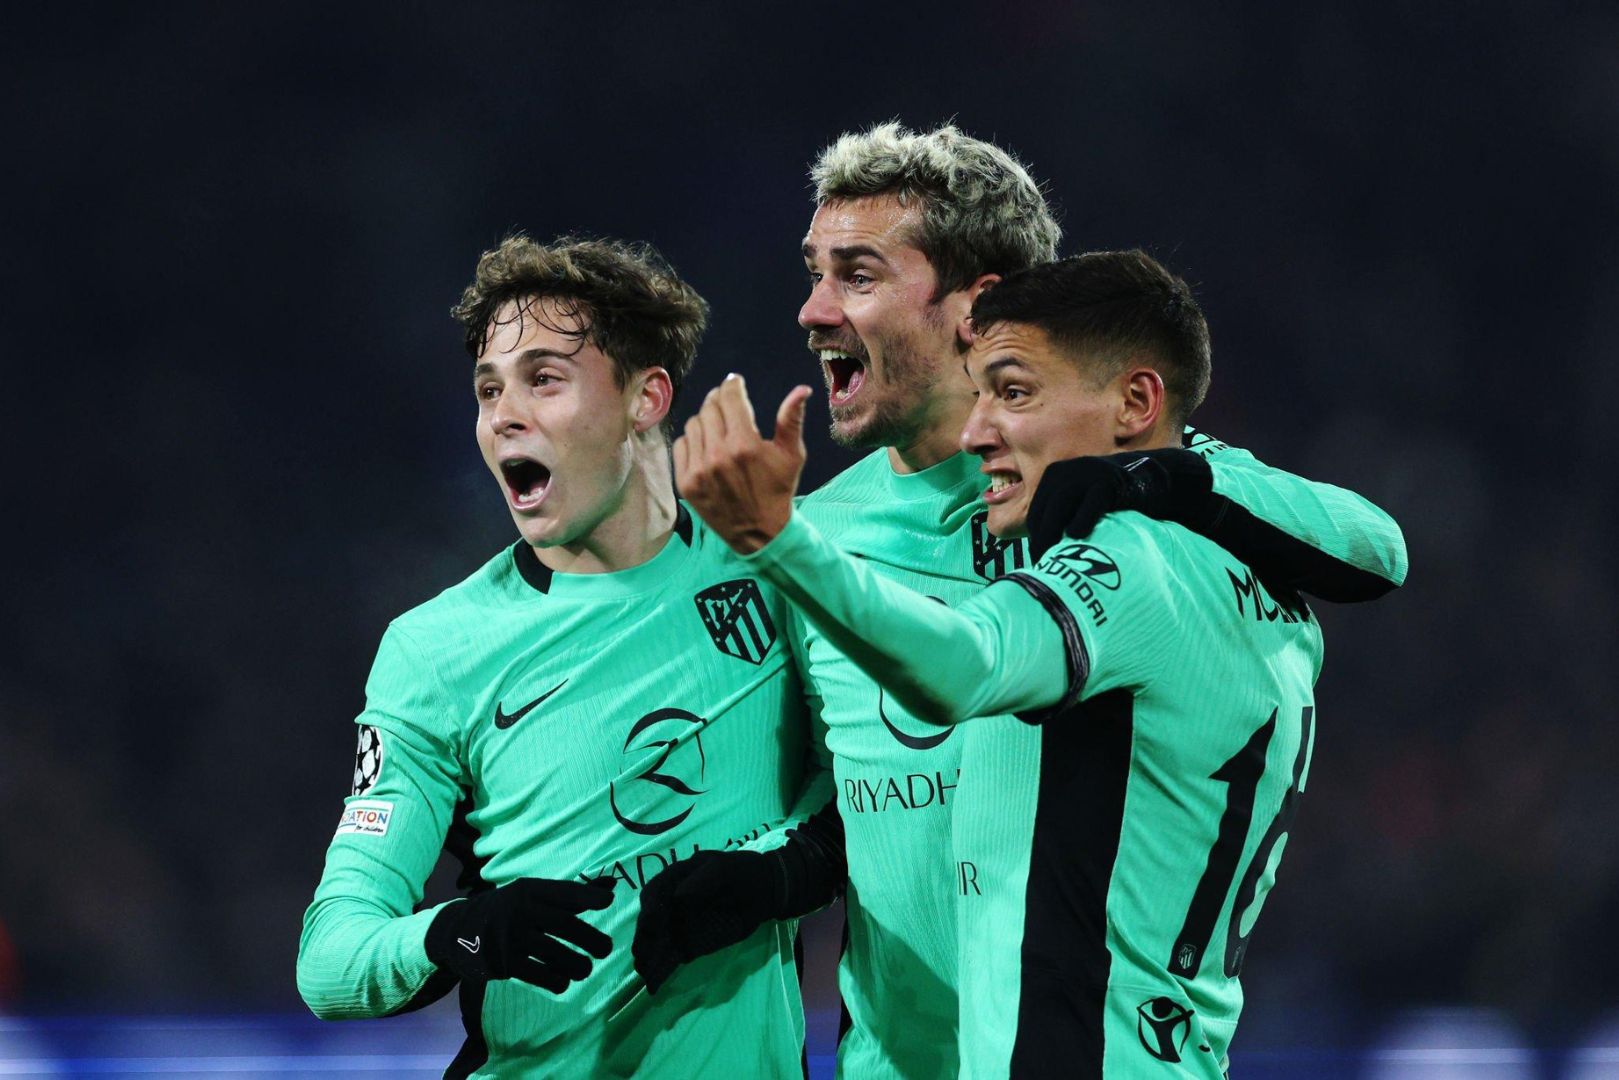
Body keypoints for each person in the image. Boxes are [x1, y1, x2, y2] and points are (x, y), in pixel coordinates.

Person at [634, 123, 1406, 1079]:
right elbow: (864, 803)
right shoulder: (816, 535)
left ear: (976, 305)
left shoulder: (1129, 511)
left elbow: (1375, 548)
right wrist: (774, 871)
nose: (814, 309)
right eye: (814, 270)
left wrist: (1165, 479)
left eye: (858, 275)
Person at [295, 235, 836, 1078]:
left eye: (543, 379)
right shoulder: (436, 650)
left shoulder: (778, 566)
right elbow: (330, 957)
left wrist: (773, 879)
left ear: (646, 397)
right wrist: (458, 930)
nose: (503, 414)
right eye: (488, 389)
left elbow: (877, 796)